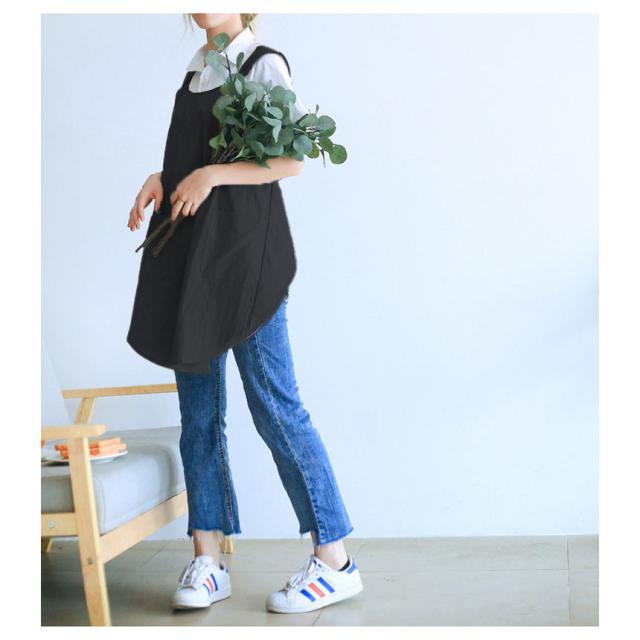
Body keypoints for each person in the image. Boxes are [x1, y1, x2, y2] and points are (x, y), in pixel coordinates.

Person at [126, 13, 363, 614]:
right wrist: (164, 177)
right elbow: (196, 153)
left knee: (276, 408)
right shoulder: (196, 73)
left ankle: (336, 560)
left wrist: (210, 175)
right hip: (192, 266)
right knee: (199, 418)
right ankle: (208, 559)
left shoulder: (264, 64)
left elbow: (292, 160)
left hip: (246, 263)